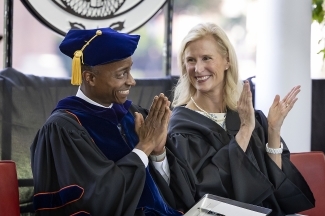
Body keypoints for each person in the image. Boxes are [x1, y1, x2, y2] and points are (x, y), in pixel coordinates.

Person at [30, 27, 185, 215]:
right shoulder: (63, 129)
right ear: (90, 77)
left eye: (130, 71)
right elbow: (95, 200)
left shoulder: (132, 114)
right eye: (121, 74)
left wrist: (158, 152)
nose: (131, 81)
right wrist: (144, 147)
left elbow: (169, 196)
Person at [166, 22, 315, 216]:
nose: (198, 68)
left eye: (206, 58)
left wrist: (273, 130)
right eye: (191, 60)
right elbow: (203, 192)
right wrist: (244, 132)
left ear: (227, 61)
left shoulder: (245, 114)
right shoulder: (182, 128)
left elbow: (274, 180)